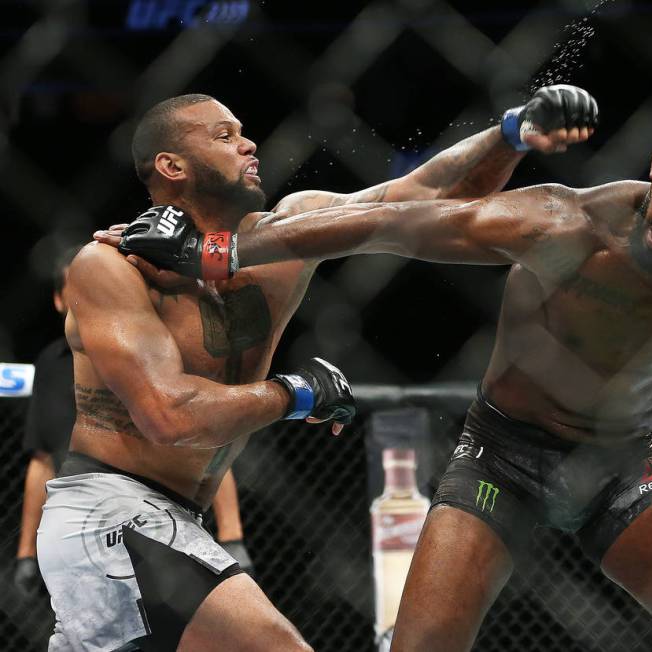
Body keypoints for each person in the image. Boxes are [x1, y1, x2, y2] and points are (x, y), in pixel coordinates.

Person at [113, 110, 652, 652]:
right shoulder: (564, 222)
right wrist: (218, 250)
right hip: (500, 457)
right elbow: (392, 222)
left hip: (623, 465)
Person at [57, 86, 594, 652]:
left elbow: (429, 199)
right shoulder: (118, 265)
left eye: (243, 132)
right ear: (172, 165)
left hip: (182, 516)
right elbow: (168, 416)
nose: (248, 144)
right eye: (224, 136)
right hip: (111, 510)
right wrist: (298, 392)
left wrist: (510, 133)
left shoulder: (289, 234)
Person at [14, 247, 255, 602]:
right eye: (78, 287)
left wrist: (232, 533)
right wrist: (26, 552)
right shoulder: (50, 364)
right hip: (75, 526)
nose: (89, 294)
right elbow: (42, 460)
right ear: (58, 300)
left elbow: (202, 441)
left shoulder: (151, 353)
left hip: (151, 518)